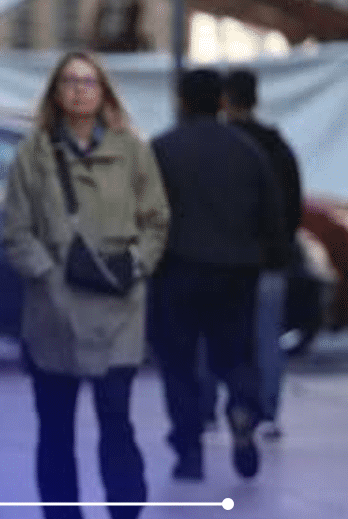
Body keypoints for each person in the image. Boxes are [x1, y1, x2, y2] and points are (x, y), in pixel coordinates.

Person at [3, 52, 170, 519]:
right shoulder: (33, 154)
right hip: (54, 310)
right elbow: (15, 231)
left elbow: (156, 219)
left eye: (89, 81)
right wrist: (47, 274)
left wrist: (138, 264)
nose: (79, 90)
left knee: (116, 417)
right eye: (70, 81)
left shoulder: (133, 151)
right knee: (55, 425)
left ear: (104, 92)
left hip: (118, 304)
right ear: (55, 91)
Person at [150, 69, 288, 481]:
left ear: (183, 101)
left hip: (178, 270)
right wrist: (269, 259)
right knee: (235, 354)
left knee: (178, 362)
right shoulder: (249, 152)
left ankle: (189, 448)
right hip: (236, 272)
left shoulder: (163, 149)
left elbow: (146, 213)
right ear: (221, 101)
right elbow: (273, 216)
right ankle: (244, 407)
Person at [223, 69, 304, 441]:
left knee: (217, 334)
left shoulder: (223, 143)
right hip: (269, 260)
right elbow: (293, 206)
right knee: (267, 336)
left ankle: (214, 411)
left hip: (224, 259)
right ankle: (269, 411)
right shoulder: (276, 146)